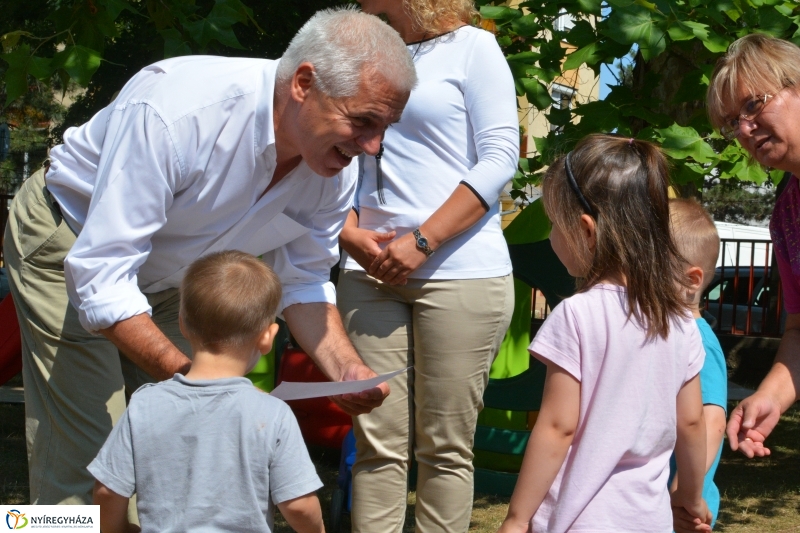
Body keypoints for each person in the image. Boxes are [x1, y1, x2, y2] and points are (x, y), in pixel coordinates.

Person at [3, 7, 416, 505]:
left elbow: (303, 278)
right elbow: (102, 278)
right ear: (304, 83)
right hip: (72, 241)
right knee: (90, 466)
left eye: (386, 127)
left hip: (174, 278)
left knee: (184, 452)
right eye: (364, 121)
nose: (373, 146)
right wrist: (196, 384)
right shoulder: (177, 111)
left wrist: (346, 367)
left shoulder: (331, 165)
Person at [335, 1, 519, 530]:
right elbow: (338, 148)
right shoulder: (360, 51)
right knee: (375, 446)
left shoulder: (473, 47)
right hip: (366, 274)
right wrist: (348, 233)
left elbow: (501, 157)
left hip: (461, 273)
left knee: (445, 450)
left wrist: (424, 240)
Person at [496, 135, 712, 533]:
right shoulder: (682, 323)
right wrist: (691, 496)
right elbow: (693, 423)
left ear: (587, 231)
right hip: (650, 521)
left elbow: (557, 426)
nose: (549, 239)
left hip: (579, 520)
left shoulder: (577, 315)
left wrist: (517, 517)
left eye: (553, 226)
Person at [88, 251, 323, 533]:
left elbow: (107, 491)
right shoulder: (272, 414)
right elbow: (299, 505)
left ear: (183, 323)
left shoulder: (145, 404)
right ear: (267, 338)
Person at [706, 33, 800, 459]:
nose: (743, 129)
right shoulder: (787, 214)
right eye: (732, 122)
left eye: (752, 104)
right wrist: (770, 397)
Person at [668, 198, 728, 530]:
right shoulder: (666, 334)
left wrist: (684, 490)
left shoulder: (699, 342)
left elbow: (712, 421)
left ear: (692, 280)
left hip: (683, 506)